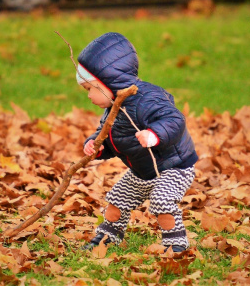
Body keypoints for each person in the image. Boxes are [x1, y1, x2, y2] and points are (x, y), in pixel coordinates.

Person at [76, 32, 198, 252]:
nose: (88, 96)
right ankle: (108, 236)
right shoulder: (113, 108)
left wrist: (154, 134)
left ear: (108, 82)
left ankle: (176, 245)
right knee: (116, 201)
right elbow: (112, 138)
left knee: (162, 202)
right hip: (142, 171)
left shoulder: (146, 99)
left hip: (174, 166)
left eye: (90, 89)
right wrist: (96, 145)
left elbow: (174, 119)